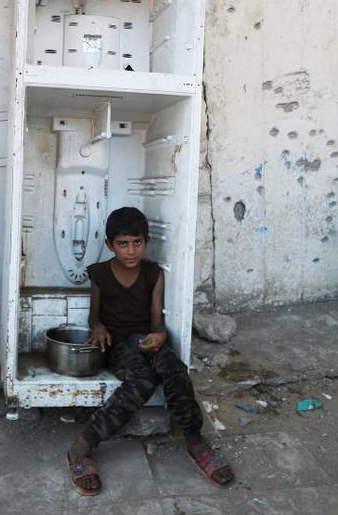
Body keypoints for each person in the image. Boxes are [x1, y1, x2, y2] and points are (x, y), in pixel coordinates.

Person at [66, 207, 234, 495]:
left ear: (146, 241)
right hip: (116, 344)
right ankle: (81, 448)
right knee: (142, 380)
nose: (131, 251)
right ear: (109, 245)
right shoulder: (99, 274)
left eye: (137, 243)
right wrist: (98, 328)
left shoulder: (154, 273)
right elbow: (94, 316)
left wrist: (159, 335)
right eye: (123, 244)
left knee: (174, 369)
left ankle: (194, 440)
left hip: (144, 339)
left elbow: (157, 320)